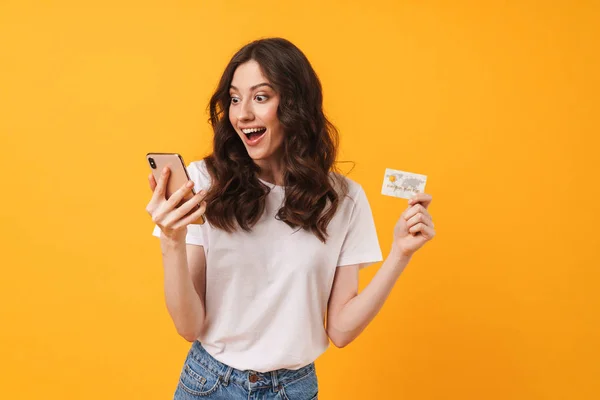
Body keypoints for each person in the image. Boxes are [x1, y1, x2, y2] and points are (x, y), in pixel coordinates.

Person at [146, 37, 435, 400]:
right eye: (235, 99)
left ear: (296, 105)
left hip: (293, 389)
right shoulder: (204, 183)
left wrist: (400, 254)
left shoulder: (342, 199)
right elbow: (189, 326)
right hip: (209, 384)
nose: (242, 114)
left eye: (261, 97)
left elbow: (342, 331)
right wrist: (171, 241)